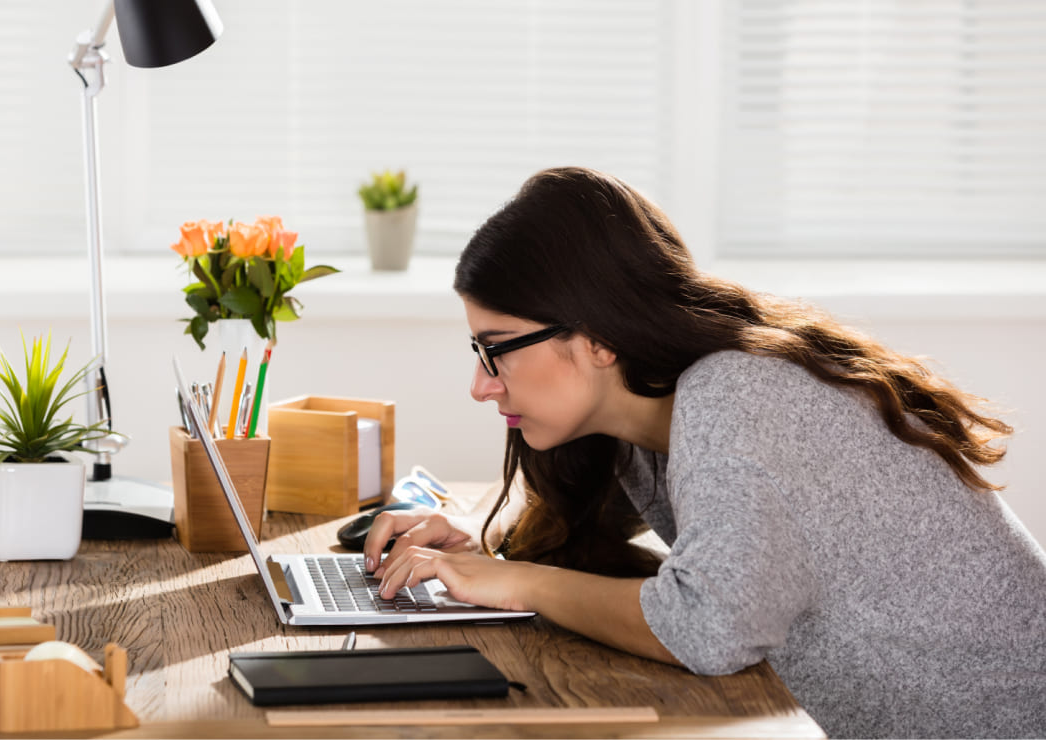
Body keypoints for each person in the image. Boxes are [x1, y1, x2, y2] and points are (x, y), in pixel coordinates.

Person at [363, 166, 1046, 739]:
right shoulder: (647, 421)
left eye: (496, 349)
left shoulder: (736, 393)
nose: (480, 385)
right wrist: (482, 554)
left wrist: (510, 582)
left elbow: (708, 628)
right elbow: (615, 546)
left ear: (597, 336)